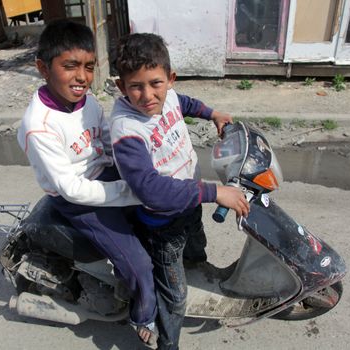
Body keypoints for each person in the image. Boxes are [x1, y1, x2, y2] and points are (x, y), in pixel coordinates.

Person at [16, 20, 158, 344]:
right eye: (70, 66)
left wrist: (138, 171)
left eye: (89, 67)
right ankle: (144, 316)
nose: (82, 76)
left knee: (161, 205)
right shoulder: (39, 125)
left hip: (103, 175)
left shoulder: (87, 101)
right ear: (43, 68)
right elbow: (72, 188)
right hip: (77, 200)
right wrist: (130, 191)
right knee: (137, 263)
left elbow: (108, 143)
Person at [110, 33, 250, 350]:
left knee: (197, 241)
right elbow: (151, 190)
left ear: (170, 79)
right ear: (122, 87)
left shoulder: (168, 96)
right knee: (174, 295)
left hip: (189, 200)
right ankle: (168, 343)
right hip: (163, 224)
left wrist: (212, 113)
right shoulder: (127, 130)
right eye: (136, 86)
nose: (147, 95)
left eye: (156, 83)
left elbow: (184, 103)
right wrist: (216, 192)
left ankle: (197, 267)